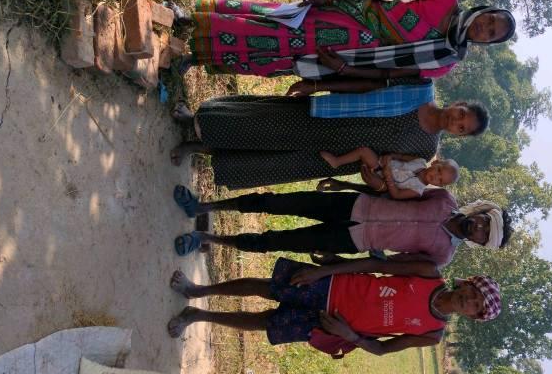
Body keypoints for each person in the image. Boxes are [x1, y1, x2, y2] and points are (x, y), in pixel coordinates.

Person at [167, 0, 516, 79]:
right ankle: (190, 20)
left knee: (272, 58)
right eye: (490, 21)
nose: (484, 28)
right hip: (344, 18)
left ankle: (197, 57)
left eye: (491, 34)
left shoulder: (445, 61)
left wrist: (344, 69)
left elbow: (390, 75)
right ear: (484, 11)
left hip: (345, 56)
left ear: (488, 43)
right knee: (272, 22)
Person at [166, 257, 502, 354]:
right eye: (474, 293)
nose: (469, 301)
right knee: (265, 288)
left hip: (329, 325)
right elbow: (377, 264)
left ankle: (198, 316)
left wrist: (348, 335)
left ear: (472, 316)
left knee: (264, 322)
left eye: (476, 307)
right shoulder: (429, 273)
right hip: (331, 285)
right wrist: (324, 271)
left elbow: (382, 349)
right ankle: (198, 289)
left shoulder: (432, 334)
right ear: (466, 283)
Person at [169, 96, 489, 192]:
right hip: (330, 118)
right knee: (263, 124)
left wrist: (374, 178)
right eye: (462, 114)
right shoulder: (420, 93)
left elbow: (391, 168)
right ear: (459, 104)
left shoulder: (427, 149)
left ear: (459, 135)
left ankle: (195, 149)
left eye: (462, 128)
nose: (456, 121)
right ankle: (194, 121)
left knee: (269, 160)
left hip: (338, 155)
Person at [172, 187, 510, 264]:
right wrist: (344, 184)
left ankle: (206, 238)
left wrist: (341, 262)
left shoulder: (442, 255)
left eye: (484, 235)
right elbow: (396, 191)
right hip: (352, 203)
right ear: (482, 213)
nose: (479, 229)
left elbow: (396, 264)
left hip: (352, 240)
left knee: (275, 241)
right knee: (274, 202)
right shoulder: (444, 199)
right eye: (485, 222)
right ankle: (203, 206)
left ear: (480, 244)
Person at [319, 148, 460, 199]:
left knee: (379, 185)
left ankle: (362, 170)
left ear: (439, 186)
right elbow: (401, 157)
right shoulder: (421, 161)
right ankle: (337, 161)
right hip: (381, 164)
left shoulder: (418, 190)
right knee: (364, 151)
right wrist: (390, 156)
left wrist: (387, 176)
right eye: (439, 171)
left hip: (384, 183)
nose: (436, 177)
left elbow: (396, 194)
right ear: (436, 163)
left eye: (440, 180)